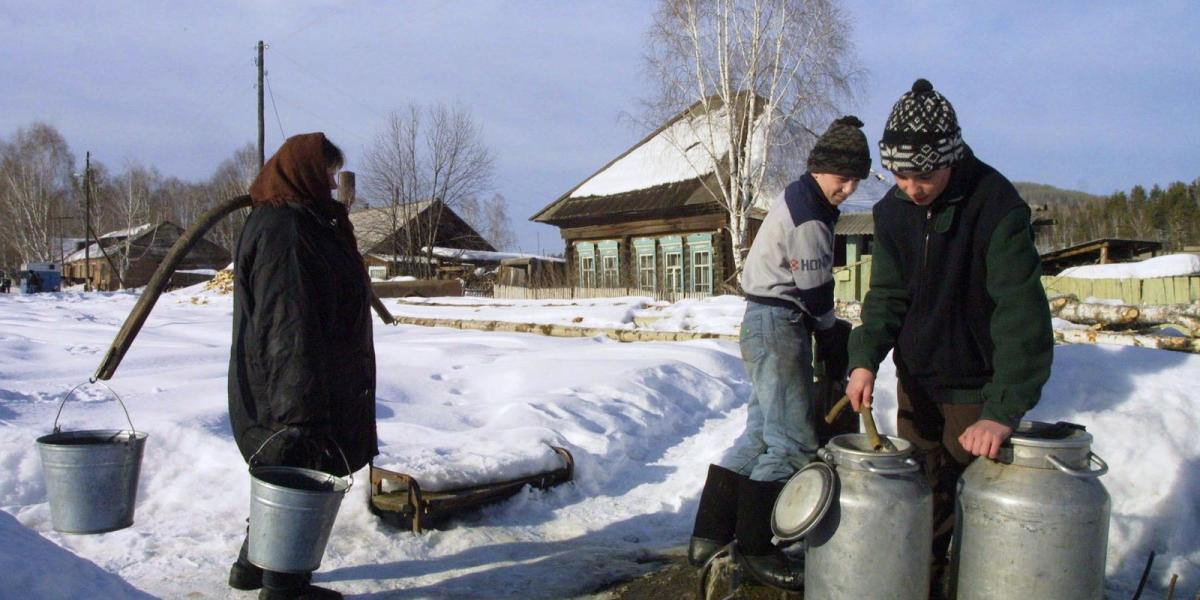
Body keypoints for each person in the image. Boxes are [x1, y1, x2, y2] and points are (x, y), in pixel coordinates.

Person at [844, 79, 1054, 593]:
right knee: (920, 502)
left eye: (923, 175)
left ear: (950, 158)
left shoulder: (995, 205)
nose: (912, 188)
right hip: (918, 381)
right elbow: (888, 296)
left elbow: (1020, 314)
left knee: (974, 509)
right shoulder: (892, 210)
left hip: (974, 389)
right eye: (899, 174)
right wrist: (865, 359)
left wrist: (1000, 410)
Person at [688, 116, 870, 591]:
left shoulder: (798, 196)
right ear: (819, 169)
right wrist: (831, 335)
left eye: (855, 180)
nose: (848, 189)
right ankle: (756, 547)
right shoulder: (809, 212)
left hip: (762, 321)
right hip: (780, 323)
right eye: (842, 178)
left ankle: (709, 535)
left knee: (760, 435)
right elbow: (815, 289)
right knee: (791, 442)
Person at [226, 132, 378, 600]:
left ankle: (254, 565)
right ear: (304, 172)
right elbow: (287, 324)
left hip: (297, 376)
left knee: (282, 467)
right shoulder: (287, 232)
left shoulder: (294, 222)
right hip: (294, 381)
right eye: (327, 174)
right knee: (295, 464)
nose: (333, 185)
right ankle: (286, 587)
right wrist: (300, 409)